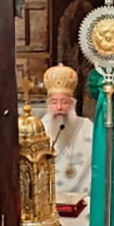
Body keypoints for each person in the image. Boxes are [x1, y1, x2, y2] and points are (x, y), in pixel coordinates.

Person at [42, 63, 94, 195]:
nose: (59, 107)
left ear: (72, 104)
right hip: (49, 199)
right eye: (54, 102)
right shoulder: (40, 129)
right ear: (49, 104)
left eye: (64, 102)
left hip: (83, 199)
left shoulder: (87, 127)